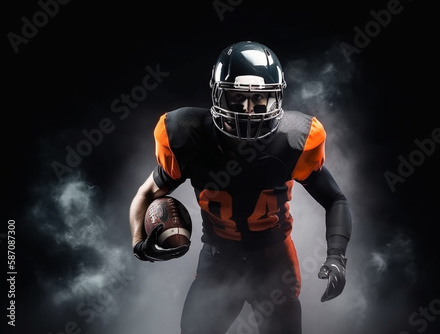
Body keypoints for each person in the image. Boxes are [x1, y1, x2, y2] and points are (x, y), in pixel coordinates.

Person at [129, 41, 353, 334]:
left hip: (275, 260)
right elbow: (146, 194)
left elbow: (335, 199)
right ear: (219, 95)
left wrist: (336, 257)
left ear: (275, 99)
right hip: (219, 258)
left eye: (259, 99)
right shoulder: (188, 134)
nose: (248, 110)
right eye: (237, 97)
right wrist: (138, 244)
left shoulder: (293, 139)